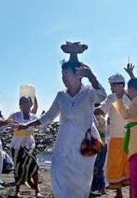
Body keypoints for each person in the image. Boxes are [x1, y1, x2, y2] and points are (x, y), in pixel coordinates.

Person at [15, 60, 106, 198]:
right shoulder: (61, 95)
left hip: (84, 143)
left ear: (78, 75)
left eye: (66, 74)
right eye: (62, 74)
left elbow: (102, 95)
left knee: (81, 180)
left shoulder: (89, 91)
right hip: (64, 141)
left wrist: (92, 76)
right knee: (57, 171)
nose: (63, 78)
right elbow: (49, 116)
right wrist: (27, 125)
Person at [94, 73, 130, 198]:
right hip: (132, 137)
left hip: (117, 138)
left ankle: (119, 193)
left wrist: (85, 109)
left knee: (116, 166)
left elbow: (100, 110)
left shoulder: (112, 97)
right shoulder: (131, 96)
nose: (110, 88)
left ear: (117, 85)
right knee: (131, 165)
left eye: (111, 85)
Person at [8, 96, 42, 198]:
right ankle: (17, 191)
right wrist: (11, 124)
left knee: (34, 167)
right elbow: (7, 123)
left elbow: (42, 126)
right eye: (23, 103)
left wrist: (44, 117)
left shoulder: (34, 117)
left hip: (30, 145)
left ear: (31, 105)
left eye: (27, 103)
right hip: (17, 145)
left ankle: (37, 191)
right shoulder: (15, 115)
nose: (25, 105)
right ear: (20, 106)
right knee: (18, 168)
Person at [91, 104, 108, 195]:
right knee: (100, 167)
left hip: (94, 144)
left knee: (91, 167)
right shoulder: (103, 118)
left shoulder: (92, 118)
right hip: (103, 144)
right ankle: (103, 188)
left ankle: (90, 188)